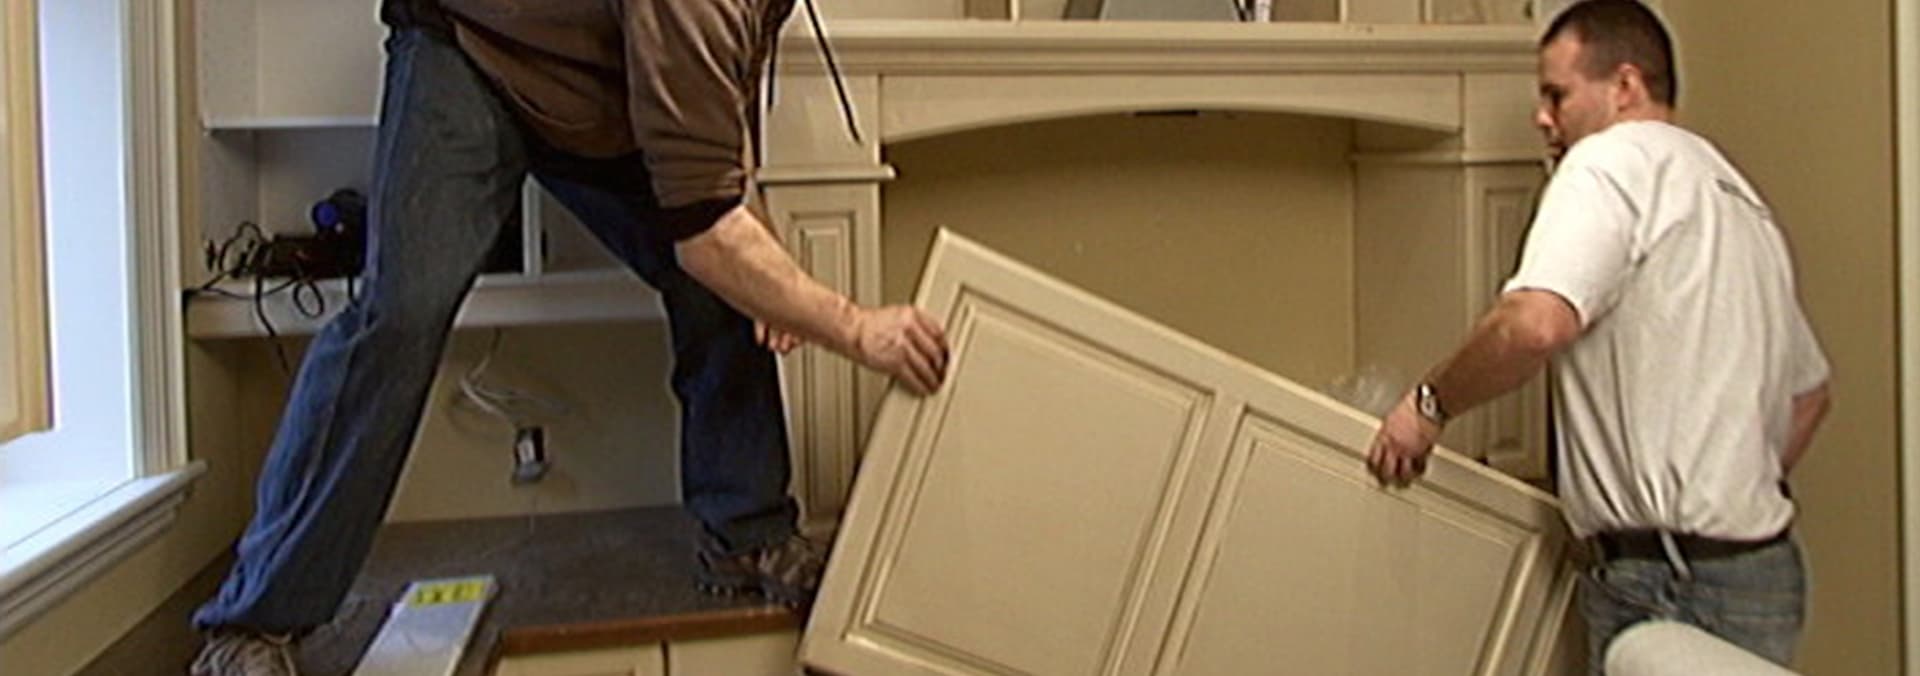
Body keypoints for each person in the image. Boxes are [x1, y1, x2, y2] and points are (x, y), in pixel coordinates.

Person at [190, 1, 949, 673]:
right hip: (472, 50)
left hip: (601, 91)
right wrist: (858, 328)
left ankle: (745, 532)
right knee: (401, 316)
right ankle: (252, 620)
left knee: (729, 290)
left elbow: (719, 105)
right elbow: (704, 233)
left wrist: (758, 243)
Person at [1363, 0, 1830, 671]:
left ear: (1625, 86)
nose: (1541, 117)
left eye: (1556, 94)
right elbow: (1809, 397)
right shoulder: (1733, 196)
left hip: (1669, 579)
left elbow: (1534, 324)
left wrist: (1426, 407)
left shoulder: (1607, 163)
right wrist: (1729, 486)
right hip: (1761, 569)